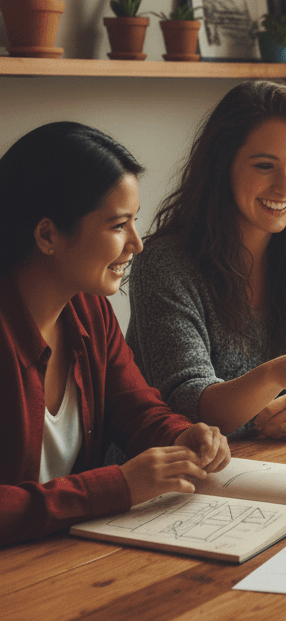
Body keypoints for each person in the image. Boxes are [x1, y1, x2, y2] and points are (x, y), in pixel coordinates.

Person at [0, 123, 230, 547]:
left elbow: (138, 410)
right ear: (48, 235)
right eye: (119, 225)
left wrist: (180, 435)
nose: (136, 244)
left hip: (65, 555)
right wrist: (114, 487)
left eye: (134, 222)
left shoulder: (90, 312)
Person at [126, 80, 286, 440]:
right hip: (184, 469)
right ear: (222, 166)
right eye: (265, 166)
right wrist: (276, 375)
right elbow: (187, 409)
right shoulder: (165, 264)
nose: (285, 187)